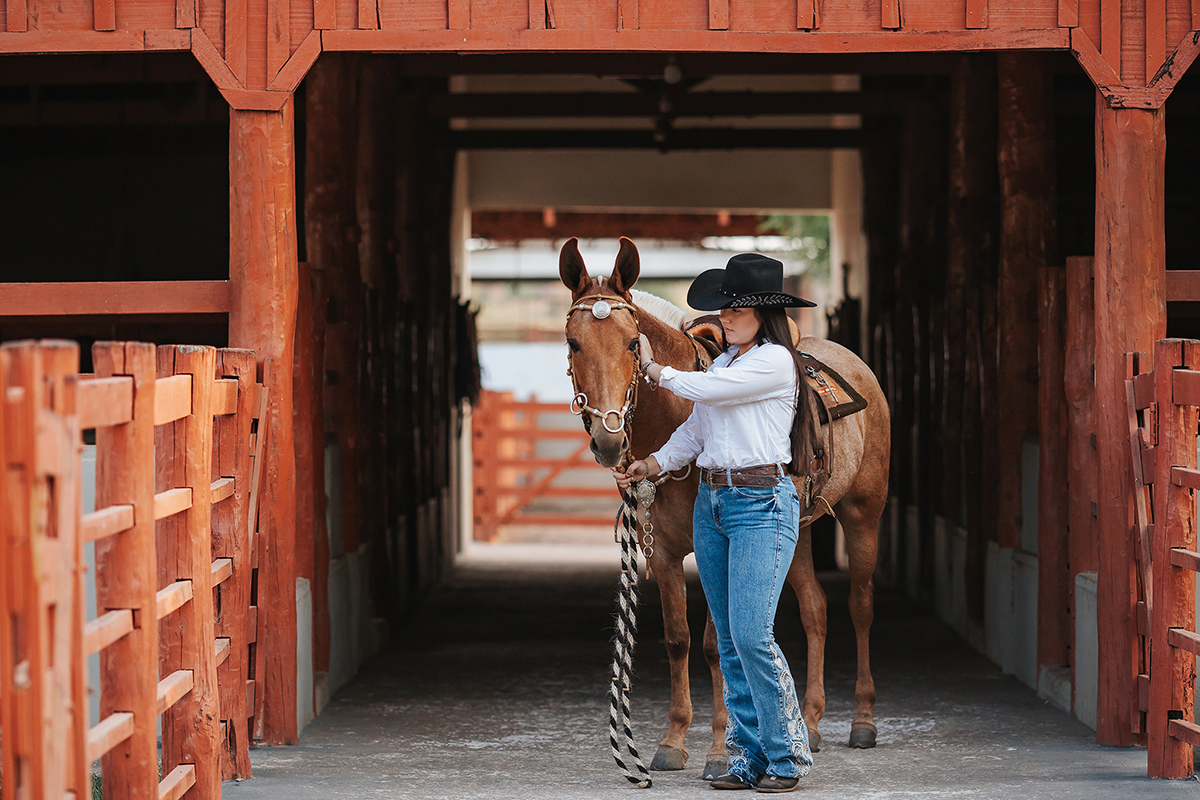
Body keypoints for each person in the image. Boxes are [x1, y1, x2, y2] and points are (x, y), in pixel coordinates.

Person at [614, 253, 817, 793]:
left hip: (760, 504)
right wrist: (652, 464)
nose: (725, 315)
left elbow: (706, 393)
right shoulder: (725, 364)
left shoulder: (774, 363)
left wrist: (653, 369)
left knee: (752, 635)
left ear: (764, 313)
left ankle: (786, 754)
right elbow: (696, 431)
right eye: (723, 307)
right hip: (714, 504)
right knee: (728, 640)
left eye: (737, 307)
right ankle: (748, 756)